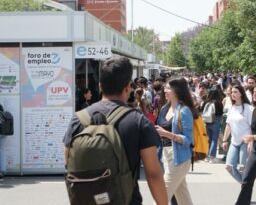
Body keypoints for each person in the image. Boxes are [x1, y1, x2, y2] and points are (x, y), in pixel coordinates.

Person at [63, 57, 167, 205]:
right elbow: (153, 173)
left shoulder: (78, 119)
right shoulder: (138, 121)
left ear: (100, 86)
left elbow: (68, 161)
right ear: (128, 88)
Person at [154, 78, 198, 205]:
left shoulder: (184, 111)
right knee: (182, 196)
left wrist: (167, 134)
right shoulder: (164, 108)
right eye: (165, 87)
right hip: (166, 155)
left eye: (168, 88)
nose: (165, 90)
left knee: (161, 196)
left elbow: (188, 140)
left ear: (177, 90)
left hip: (179, 158)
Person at [222, 84, 253, 183]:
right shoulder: (232, 108)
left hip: (245, 141)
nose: (233, 94)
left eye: (235, 92)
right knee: (229, 167)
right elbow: (228, 125)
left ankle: (245, 191)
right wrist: (224, 140)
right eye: (232, 92)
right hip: (234, 142)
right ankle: (244, 186)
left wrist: (251, 141)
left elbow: (253, 127)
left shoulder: (248, 108)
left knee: (242, 167)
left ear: (241, 94)